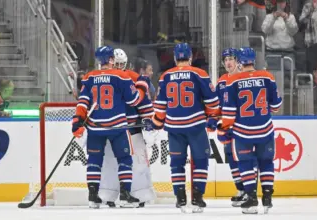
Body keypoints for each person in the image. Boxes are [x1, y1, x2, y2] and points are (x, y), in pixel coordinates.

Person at [71, 46, 150, 208]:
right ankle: (125, 195)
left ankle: (93, 197)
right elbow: (134, 101)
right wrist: (142, 87)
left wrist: (77, 121)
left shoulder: (89, 77)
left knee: (94, 160)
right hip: (117, 127)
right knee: (125, 160)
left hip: (95, 128)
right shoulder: (121, 76)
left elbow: (83, 102)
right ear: (111, 60)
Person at [146, 43, 220, 213]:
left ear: (174, 58)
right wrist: (212, 118)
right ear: (190, 58)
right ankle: (197, 197)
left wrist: (156, 123)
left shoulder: (165, 76)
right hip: (195, 125)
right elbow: (212, 101)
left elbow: (160, 106)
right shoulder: (199, 73)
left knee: (177, 163)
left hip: (174, 128)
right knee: (201, 160)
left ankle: (180, 197)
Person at [219, 47, 282, 214]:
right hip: (265, 130)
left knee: (245, 163)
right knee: (266, 162)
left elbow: (229, 113)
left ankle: (251, 199)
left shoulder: (233, 81)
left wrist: (223, 129)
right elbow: (276, 106)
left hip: (243, 132)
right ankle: (267, 197)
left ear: (239, 61)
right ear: (254, 60)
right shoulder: (267, 77)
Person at [98, 48, 156, 208]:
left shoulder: (102, 78)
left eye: (121, 64)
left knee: (137, 163)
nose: (118, 66)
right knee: (110, 163)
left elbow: (144, 101)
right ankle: (107, 194)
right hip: (113, 129)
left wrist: (148, 120)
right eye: (116, 63)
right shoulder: (128, 77)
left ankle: (139, 194)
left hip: (127, 129)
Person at [207, 48, 249, 207]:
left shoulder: (244, 78)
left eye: (231, 59)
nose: (228, 63)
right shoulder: (222, 80)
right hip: (227, 127)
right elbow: (218, 105)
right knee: (231, 157)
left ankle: (248, 189)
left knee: (243, 158)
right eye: (225, 60)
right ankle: (240, 189)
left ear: (238, 61)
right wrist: (213, 118)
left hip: (242, 127)